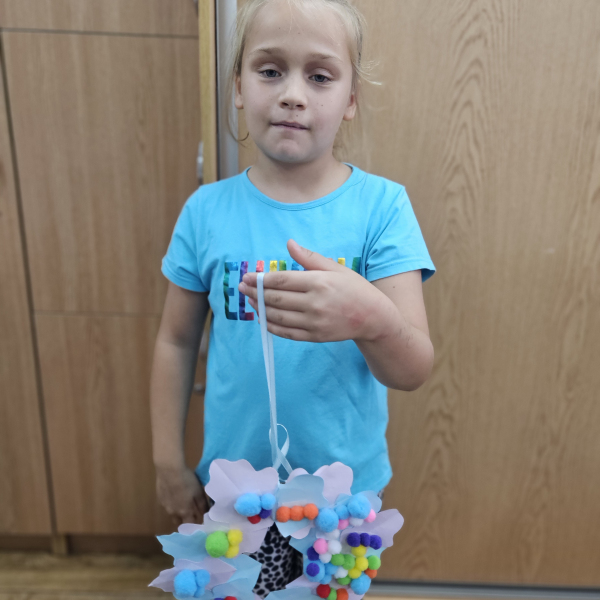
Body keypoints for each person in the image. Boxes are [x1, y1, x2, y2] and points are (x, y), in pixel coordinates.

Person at [150, 0, 436, 595]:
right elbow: (175, 342)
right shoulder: (206, 211)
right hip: (233, 494)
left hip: (342, 501)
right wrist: (166, 460)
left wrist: (369, 317)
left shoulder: (382, 209)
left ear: (351, 98)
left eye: (321, 76)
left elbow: (412, 369)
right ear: (238, 86)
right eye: (270, 70)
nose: (293, 95)